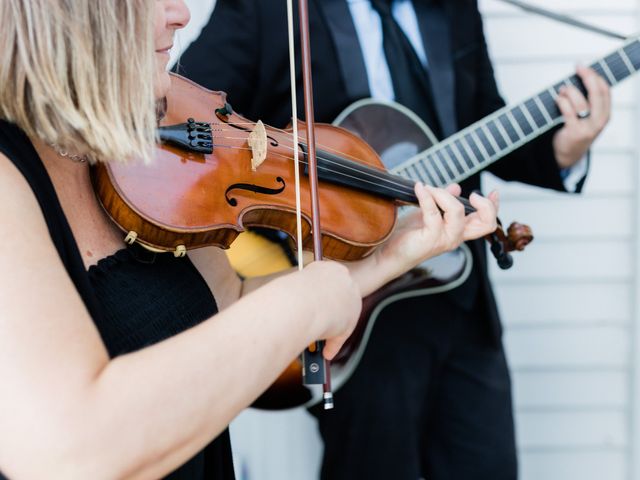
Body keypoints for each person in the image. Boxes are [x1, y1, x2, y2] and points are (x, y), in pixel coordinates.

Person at [0, 1, 499, 479]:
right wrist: (307, 303)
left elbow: (232, 300)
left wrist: (389, 258)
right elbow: (69, 451)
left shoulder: (147, 141)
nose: (181, 13)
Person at [177, 0, 611, 478]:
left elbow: (482, 123)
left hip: (457, 298)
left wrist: (565, 149)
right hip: (352, 317)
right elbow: (188, 122)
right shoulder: (271, 9)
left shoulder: (454, 9)